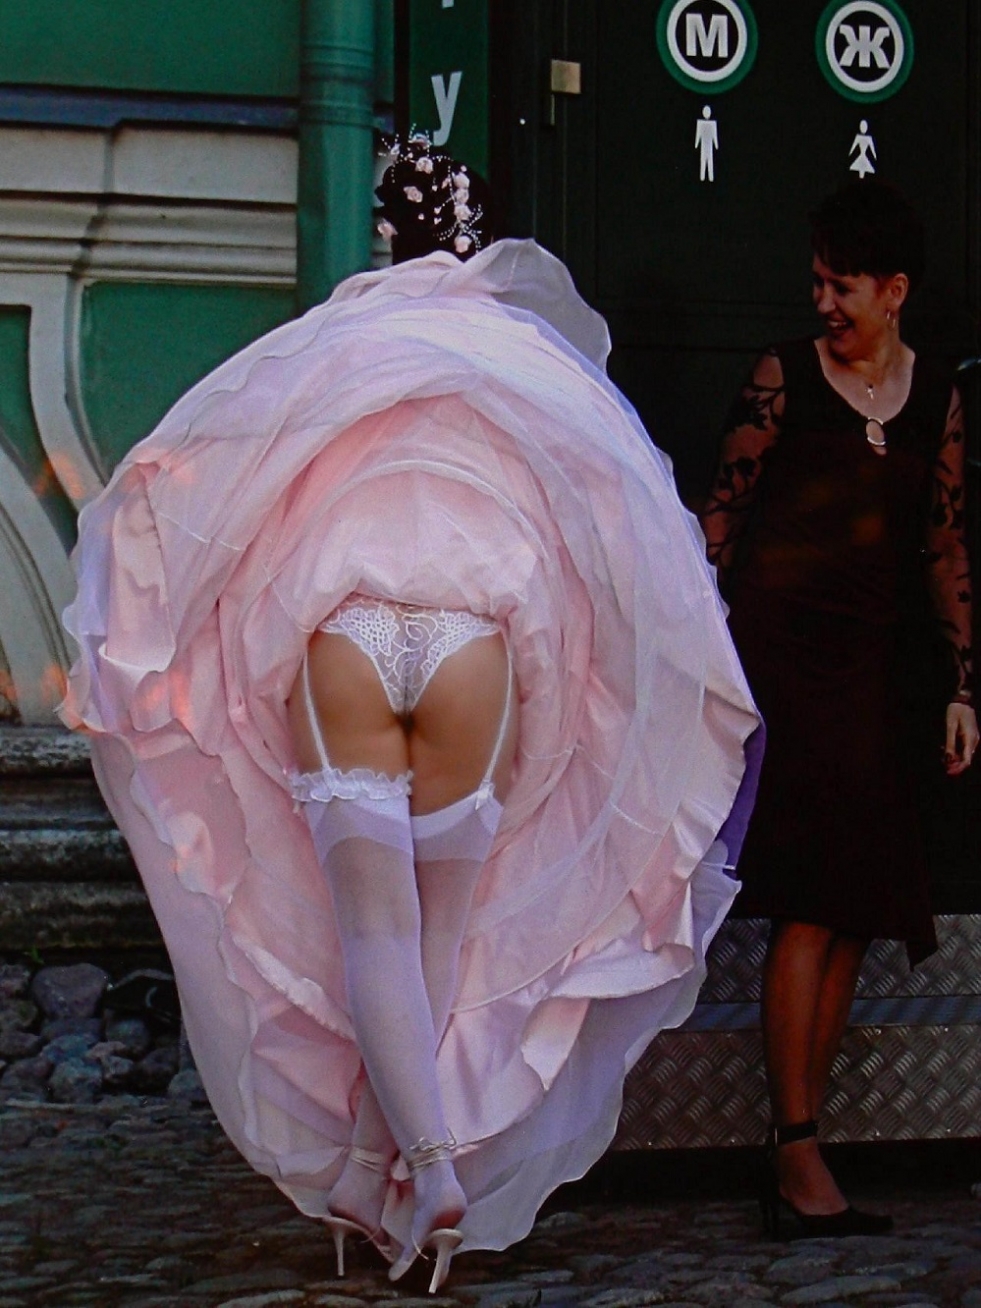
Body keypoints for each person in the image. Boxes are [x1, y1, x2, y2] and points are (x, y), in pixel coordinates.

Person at [60, 137, 760, 1288]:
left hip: (348, 628)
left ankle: (407, 1167)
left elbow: (204, 471)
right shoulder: (523, 362)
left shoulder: (335, 346)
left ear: (384, 239)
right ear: (477, 244)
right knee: (437, 935)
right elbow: (618, 518)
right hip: (475, 644)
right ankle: (387, 1168)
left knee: (374, 933)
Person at [701, 179, 978, 1239]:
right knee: (808, 904)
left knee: (856, 907)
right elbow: (720, 519)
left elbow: (943, 546)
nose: (823, 301)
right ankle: (795, 1151)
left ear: (893, 290)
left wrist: (961, 687)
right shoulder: (784, 374)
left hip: (881, 672)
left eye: (843, 285)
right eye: (817, 280)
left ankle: (799, 1147)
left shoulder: (935, 392)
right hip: (789, 669)